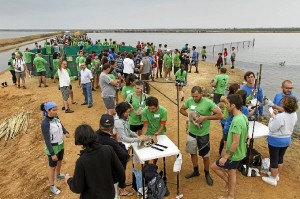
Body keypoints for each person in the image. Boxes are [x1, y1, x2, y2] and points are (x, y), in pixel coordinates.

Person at [65, 124, 126, 198]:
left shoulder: (81, 161)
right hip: (109, 195)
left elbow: (77, 188)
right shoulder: (108, 149)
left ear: (79, 141)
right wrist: (122, 185)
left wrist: (68, 180)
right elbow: (120, 170)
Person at [180, 86, 222, 185]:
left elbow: (220, 115)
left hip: (203, 134)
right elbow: (181, 109)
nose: (194, 98)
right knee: (192, 152)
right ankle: (195, 171)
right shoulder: (190, 101)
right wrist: (189, 116)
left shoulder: (208, 103)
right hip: (192, 133)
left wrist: (205, 118)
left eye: (197, 96)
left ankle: (207, 174)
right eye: (193, 96)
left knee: (205, 156)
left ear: (201, 94)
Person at [211, 94, 249, 199]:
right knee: (232, 172)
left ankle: (229, 187)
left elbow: (235, 142)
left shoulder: (236, 121)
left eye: (227, 104)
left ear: (233, 105)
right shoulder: (243, 117)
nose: (226, 106)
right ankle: (230, 195)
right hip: (240, 152)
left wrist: (226, 156)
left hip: (234, 155)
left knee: (214, 167)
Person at [262, 96, 298, 186]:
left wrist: (272, 117)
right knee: (280, 158)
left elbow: (272, 128)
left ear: (284, 104)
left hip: (276, 140)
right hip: (287, 139)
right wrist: (276, 116)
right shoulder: (294, 114)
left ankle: (273, 179)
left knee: (274, 159)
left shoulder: (280, 117)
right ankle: (276, 175)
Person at [96, 114, 132, 196]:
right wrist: (119, 142)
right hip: (111, 176)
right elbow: (124, 156)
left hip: (96, 175)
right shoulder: (111, 142)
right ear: (112, 127)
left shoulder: (93, 136)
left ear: (99, 124)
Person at [40, 102, 70, 195]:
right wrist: (52, 153)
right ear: (47, 111)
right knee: (52, 167)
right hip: (52, 147)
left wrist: (65, 132)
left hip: (60, 144)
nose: (56, 112)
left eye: (56, 109)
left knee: (60, 160)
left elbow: (61, 125)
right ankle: (52, 186)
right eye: (54, 110)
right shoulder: (45, 123)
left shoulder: (56, 118)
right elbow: (47, 139)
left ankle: (58, 175)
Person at [141, 96, 168, 164]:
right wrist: (143, 135)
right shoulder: (144, 111)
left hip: (159, 133)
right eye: (149, 108)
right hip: (149, 132)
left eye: (153, 108)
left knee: (156, 151)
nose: (151, 110)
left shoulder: (164, 111)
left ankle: (154, 164)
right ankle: (146, 165)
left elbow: (162, 125)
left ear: (157, 105)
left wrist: (155, 134)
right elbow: (145, 125)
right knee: (146, 151)